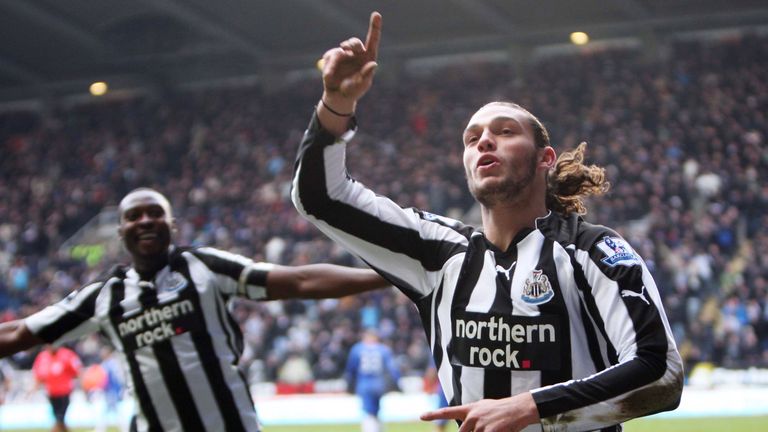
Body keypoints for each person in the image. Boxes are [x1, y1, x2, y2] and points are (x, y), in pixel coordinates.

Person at [291, 11, 684, 432]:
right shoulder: (436, 252)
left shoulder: (592, 251)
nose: (483, 141)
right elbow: (320, 198)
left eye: (505, 131)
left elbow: (662, 372)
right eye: (471, 136)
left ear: (544, 159)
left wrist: (530, 407)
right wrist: (336, 104)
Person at [0, 187, 390, 432]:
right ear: (120, 232)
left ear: (171, 222)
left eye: (155, 212)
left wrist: (389, 276)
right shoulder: (104, 296)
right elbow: (19, 333)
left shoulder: (204, 267)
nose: (145, 220)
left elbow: (299, 280)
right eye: (134, 216)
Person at [345, 329, 401, 432]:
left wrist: (349, 386)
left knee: (368, 412)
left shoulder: (357, 349)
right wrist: (397, 384)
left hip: (364, 384)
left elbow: (350, 370)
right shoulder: (383, 349)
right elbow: (393, 369)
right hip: (379, 384)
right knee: (375, 411)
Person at [32, 345, 82, 432]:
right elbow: (38, 375)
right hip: (51, 393)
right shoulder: (42, 357)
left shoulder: (67, 355)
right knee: (60, 419)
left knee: (59, 418)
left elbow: (77, 370)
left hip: (64, 393)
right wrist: (34, 389)